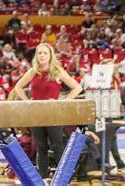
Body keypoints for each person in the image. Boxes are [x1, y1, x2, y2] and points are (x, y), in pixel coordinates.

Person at [14, 43, 82, 178]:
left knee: (58, 147)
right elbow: (18, 87)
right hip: (36, 114)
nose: (42, 55)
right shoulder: (33, 71)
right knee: (41, 147)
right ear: (36, 56)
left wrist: (63, 102)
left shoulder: (57, 71)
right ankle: (43, 177)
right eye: (40, 53)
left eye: (45, 53)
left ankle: (63, 177)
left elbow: (77, 88)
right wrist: (27, 101)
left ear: (50, 55)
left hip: (53, 114)